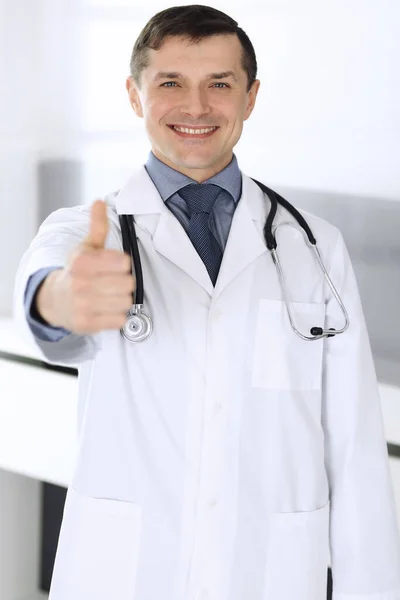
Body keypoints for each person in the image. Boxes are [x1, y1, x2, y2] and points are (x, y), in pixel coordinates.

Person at [13, 5, 400, 600]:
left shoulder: (315, 246)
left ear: (250, 98)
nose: (196, 107)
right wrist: (63, 300)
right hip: (127, 575)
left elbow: (355, 455)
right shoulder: (87, 231)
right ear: (135, 95)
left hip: (269, 575)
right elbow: (48, 295)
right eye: (171, 83)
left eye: (219, 84)